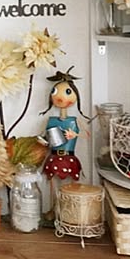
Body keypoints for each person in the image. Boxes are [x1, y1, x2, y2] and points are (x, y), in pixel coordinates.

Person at [40, 66, 90, 217]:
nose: (60, 98)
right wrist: (42, 141)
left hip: (70, 157)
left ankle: (70, 210)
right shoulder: (51, 120)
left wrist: (75, 134)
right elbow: (44, 137)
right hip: (54, 156)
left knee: (71, 186)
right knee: (52, 185)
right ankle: (53, 208)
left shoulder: (75, 120)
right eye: (55, 92)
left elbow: (87, 135)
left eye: (68, 92)